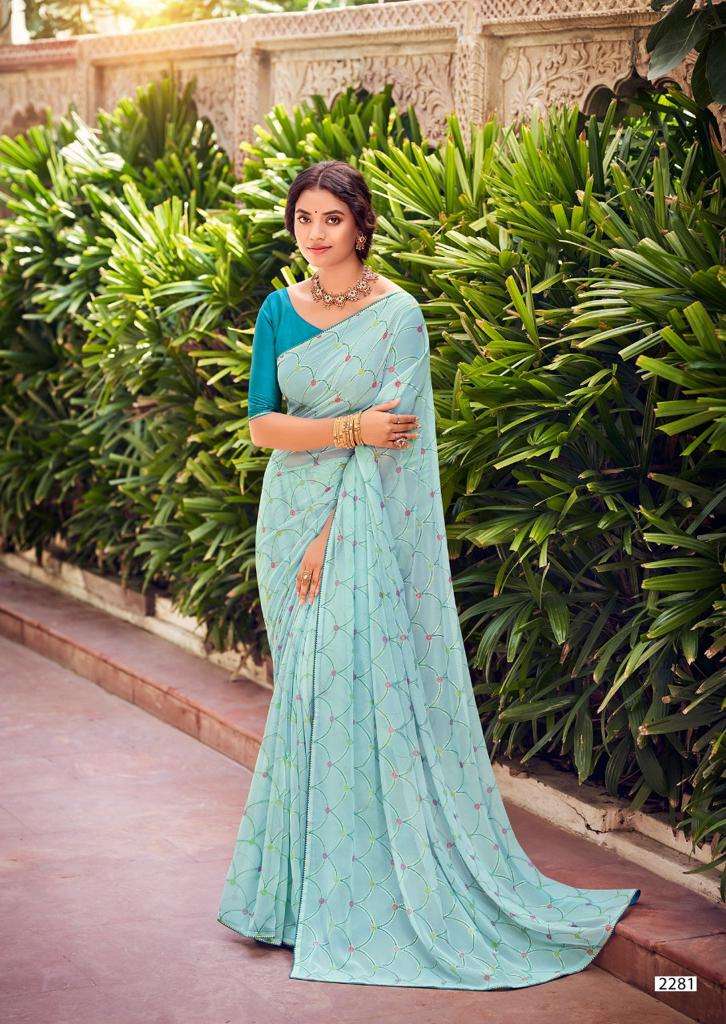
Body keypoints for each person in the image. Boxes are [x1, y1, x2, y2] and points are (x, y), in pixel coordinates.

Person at [217, 159, 640, 989]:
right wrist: (349, 430)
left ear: (361, 224)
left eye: (331, 218)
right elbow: (264, 426)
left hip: (353, 528)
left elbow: (396, 444)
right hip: (287, 519)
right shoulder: (277, 310)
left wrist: (332, 533)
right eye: (303, 218)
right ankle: (297, 899)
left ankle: (361, 896)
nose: (315, 234)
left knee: (346, 693)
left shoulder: (398, 315)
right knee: (306, 702)